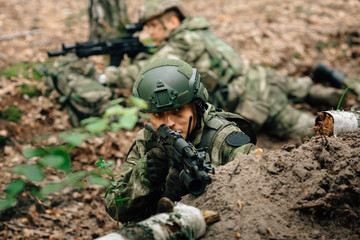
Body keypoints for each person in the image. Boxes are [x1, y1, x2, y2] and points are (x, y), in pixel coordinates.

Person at [47, 0, 360, 139]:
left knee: (316, 129)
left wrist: (103, 76)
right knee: (325, 93)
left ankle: (355, 124)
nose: (150, 34)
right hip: (261, 76)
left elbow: (146, 72)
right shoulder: (199, 31)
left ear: (171, 21)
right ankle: (346, 95)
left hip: (255, 95)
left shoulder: (180, 45)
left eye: (153, 26)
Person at [105, 58, 263, 222]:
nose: (169, 123)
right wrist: (144, 176)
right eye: (159, 115)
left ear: (197, 105)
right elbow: (115, 208)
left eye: (178, 110)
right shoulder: (148, 140)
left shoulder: (223, 139)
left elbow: (263, 183)